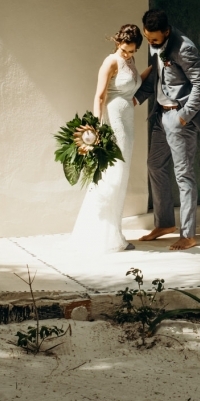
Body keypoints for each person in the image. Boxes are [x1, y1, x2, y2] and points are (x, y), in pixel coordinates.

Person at [134, 9, 200, 251]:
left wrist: (185, 116)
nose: (150, 43)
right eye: (147, 38)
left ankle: (188, 234)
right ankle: (165, 223)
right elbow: (156, 76)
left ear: (167, 32)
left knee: (183, 175)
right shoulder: (155, 42)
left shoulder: (184, 47)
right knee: (155, 165)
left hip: (178, 118)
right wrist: (134, 99)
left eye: (154, 39)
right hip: (159, 115)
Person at [71, 24, 149, 252]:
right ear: (118, 43)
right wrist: (97, 127)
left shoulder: (131, 62)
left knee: (121, 175)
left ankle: (114, 232)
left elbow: (136, 86)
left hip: (128, 120)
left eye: (132, 51)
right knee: (111, 176)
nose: (127, 54)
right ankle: (98, 234)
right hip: (113, 120)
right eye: (124, 50)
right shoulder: (111, 61)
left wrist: (153, 69)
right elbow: (99, 96)